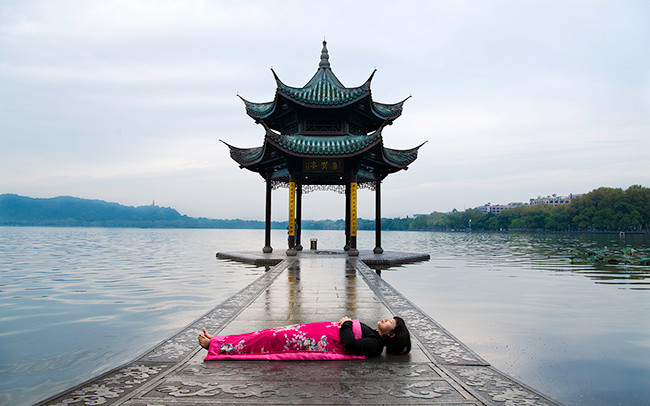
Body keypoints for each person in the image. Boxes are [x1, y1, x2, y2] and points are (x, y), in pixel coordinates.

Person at [198, 316, 410, 360]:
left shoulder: (374, 345)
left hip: (313, 340)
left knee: (269, 341)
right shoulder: (374, 335)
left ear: (391, 334)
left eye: (390, 322)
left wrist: (346, 323)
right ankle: (220, 340)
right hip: (314, 332)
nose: (385, 319)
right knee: (266, 334)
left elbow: (351, 344)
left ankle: (217, 347)